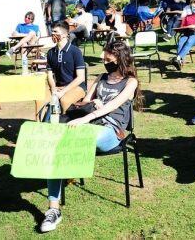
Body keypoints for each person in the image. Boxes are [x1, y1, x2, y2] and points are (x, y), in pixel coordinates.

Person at [40, 40, 139, 232]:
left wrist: (90, 116)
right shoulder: (101, 77)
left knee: (69, 141)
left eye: (108, 58)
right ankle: (53, 209)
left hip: (111, 131)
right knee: (58, 144)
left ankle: (67, 173)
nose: (104, 61)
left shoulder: (130, 82)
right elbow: (85, 101)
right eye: (104, 57)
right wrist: (92, 104)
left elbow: (114, 104)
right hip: (90, 123)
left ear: (120, 59)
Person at [46, 21, 87, 112]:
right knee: (40, 99)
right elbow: (50, 75)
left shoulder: (75, 51)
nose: (53, 34)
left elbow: (81, 78)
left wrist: (63, 91)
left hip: (76, 87)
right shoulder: (50, 52)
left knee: (65, 100)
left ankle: (66, 123)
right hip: (58, 87)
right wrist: (53, 89)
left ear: (64, 34)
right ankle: (39, 125)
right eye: (52, 31)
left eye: (55, 32)